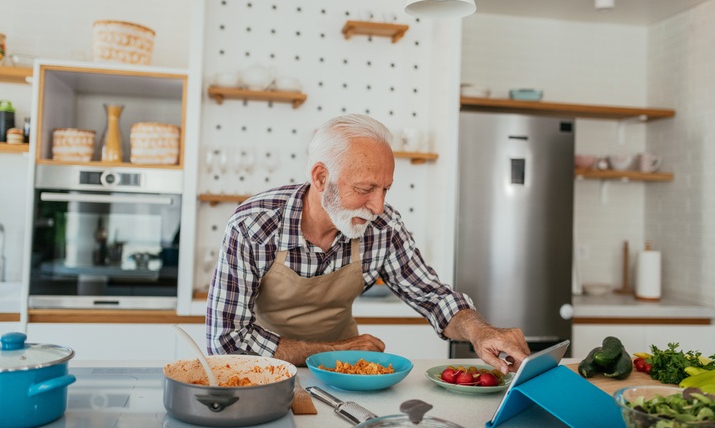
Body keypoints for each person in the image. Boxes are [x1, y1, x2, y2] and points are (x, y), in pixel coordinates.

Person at [206, 114, 530, 372]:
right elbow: (226, 342)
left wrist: (480, 331)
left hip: (345, 372)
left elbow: (431, 295)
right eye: (365, 188)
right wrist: (333, 352)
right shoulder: (254, 225)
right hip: (264, 369)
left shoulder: (382, 226)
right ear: (320, 178)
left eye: (385, 189)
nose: (377, 206)